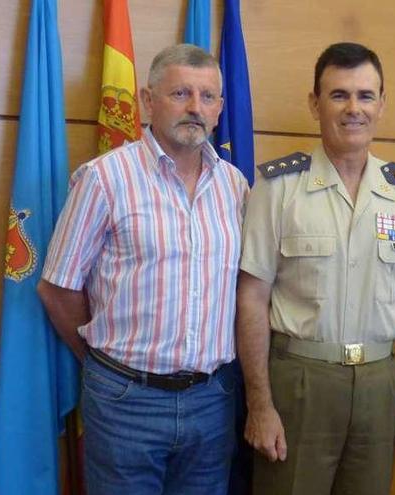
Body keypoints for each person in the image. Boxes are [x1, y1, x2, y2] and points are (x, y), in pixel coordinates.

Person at [237, 42, 395, 495]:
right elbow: (252, 297)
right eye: (338, 95)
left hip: (379, 383)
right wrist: (260, 404)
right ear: (315, 104)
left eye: (365, 95)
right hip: (299, 383)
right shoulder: (279, 189)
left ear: (381, 104)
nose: (353, 108)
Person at [37, 44, 249, 495]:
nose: (195, 107)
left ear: (220, 109)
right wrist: (107, 364)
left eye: (208, 97)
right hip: (125, 401)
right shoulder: (104, 179)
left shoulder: (235, 186)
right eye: (180, 93)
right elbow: (57, 289)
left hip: (213, 400)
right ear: (148, 101)